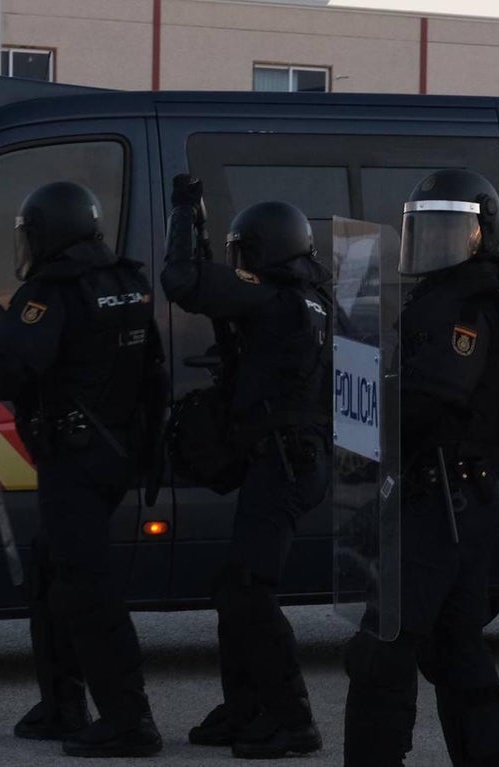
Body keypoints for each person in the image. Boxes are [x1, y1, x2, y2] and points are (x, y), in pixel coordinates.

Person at [0, 181, 168, 758]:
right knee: (50, 569)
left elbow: (18, 367)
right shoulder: (127, 283)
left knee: (84, 586)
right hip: (116, 453)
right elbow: (153, 373)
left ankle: (129, 721)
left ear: (49, 233)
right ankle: (62, 705)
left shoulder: (50, 292)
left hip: (74, 457)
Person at [342, 168, 499, 767]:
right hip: (450, 497)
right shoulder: (446, 295)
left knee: (384, 646)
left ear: (481, 234)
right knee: (454, 649)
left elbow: (433, 397)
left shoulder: (465, 303)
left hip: (439, 500)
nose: (435, 243)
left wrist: (367, 401)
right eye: (426, 230)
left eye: (451, 230)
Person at [160, 175, 332, 759]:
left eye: (243, 255)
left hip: (284, 462)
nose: (239, 268)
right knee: (235, 585)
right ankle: (245, 709)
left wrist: (184, 213)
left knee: (250, 590)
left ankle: (292, 718)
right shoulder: (310, 297)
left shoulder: (274, 295)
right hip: (292, 458)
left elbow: (183, 281)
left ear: (264, 253)